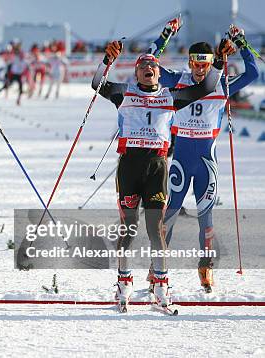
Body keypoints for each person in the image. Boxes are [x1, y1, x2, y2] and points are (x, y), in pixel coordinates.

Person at [92, 39, 231, 311]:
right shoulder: (124, 93)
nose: (148, 68)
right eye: (143, 66)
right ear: (136, 73)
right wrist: (107, 60)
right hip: (130, 166)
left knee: (156, 229)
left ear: (158, 72)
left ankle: (161, 287)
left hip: (156, 167)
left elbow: (206, 87)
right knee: (129, 228)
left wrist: (218, 60)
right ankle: (124, 283)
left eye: (153, 66)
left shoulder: (171, 96)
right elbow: (97, 84)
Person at [151, 20, 258, 293]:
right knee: (170, 214)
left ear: (212, 63)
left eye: (205, 64)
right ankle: (157, 269)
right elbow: (149, 64)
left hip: (206, 162)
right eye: (196, 64)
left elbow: (253, 73)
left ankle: (205, 267)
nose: (200, 70)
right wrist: (166, 35)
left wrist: (242, 42)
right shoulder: (177, 80)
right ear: (189, 62)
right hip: (181, 158)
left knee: (205, 217)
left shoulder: (221, 83)